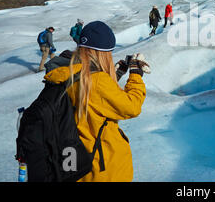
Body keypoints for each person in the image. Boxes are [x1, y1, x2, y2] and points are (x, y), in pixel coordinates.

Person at [43, 20, 149, 182]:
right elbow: (132, 107)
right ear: (103, 53)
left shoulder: (67, 73)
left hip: (76, 164)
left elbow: (96, 98)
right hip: (102, 168)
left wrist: (118, 72)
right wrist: (135, 74)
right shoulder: (97, 81)